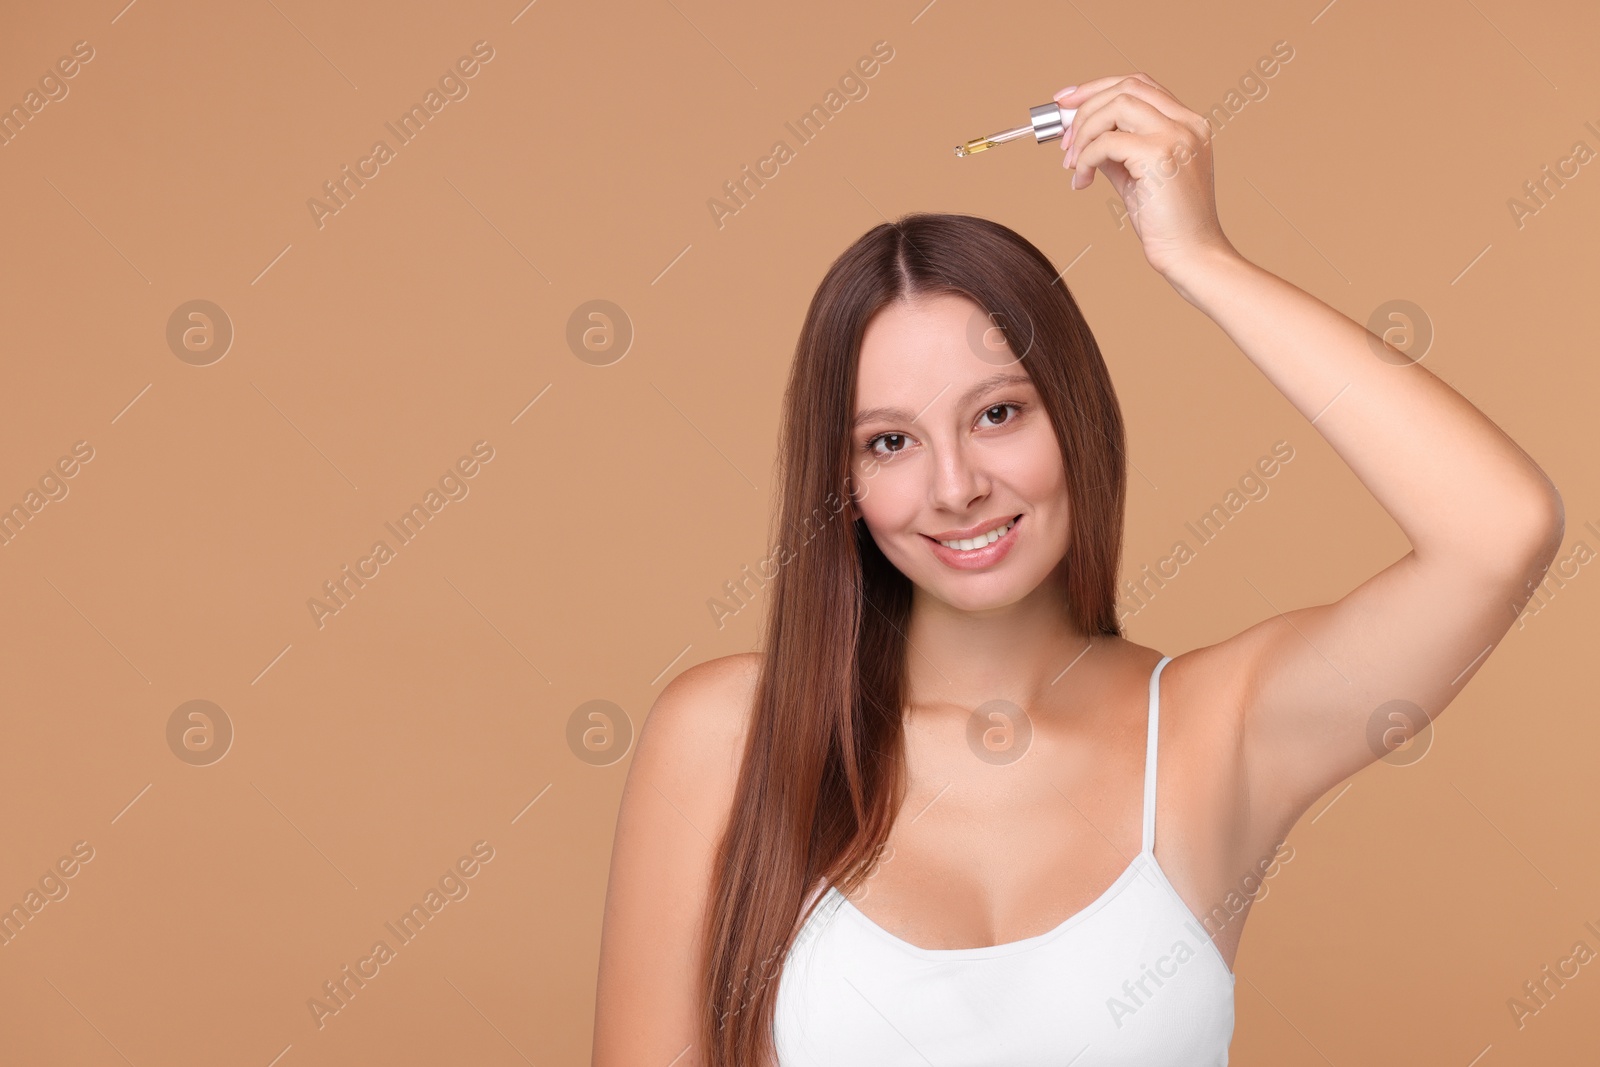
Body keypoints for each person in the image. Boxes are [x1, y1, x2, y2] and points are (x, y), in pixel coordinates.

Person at [592, 73, 1564, 1066]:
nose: (956, 485)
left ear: (1076, 415)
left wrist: (1199, 256)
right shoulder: (726, 736)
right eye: (889, 442)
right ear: (839, 479)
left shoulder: (1212, 729)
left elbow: (1499, 531)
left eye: (998, 412)